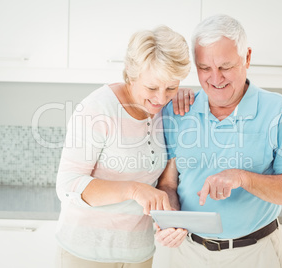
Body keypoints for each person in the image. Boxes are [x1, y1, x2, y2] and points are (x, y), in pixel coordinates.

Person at [155, 14, 282, 267]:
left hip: (254, 253)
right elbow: (168, 184)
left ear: (247, 57)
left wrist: (242, 177)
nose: (215, 79)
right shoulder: (178, 111)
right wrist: (169, 217)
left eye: (225, 67)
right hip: (186, 253)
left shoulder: (278, 110)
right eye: (205, 68)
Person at [55, 25, 192, 268]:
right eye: (151, 88)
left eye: (171, 87)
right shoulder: (97, 110)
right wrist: (134, 190)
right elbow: (67, 185)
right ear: (131, 73)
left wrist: (170, 216)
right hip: (86, 253)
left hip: (138, 254)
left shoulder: (167, 113)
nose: (161, 98)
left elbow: (164, 184)